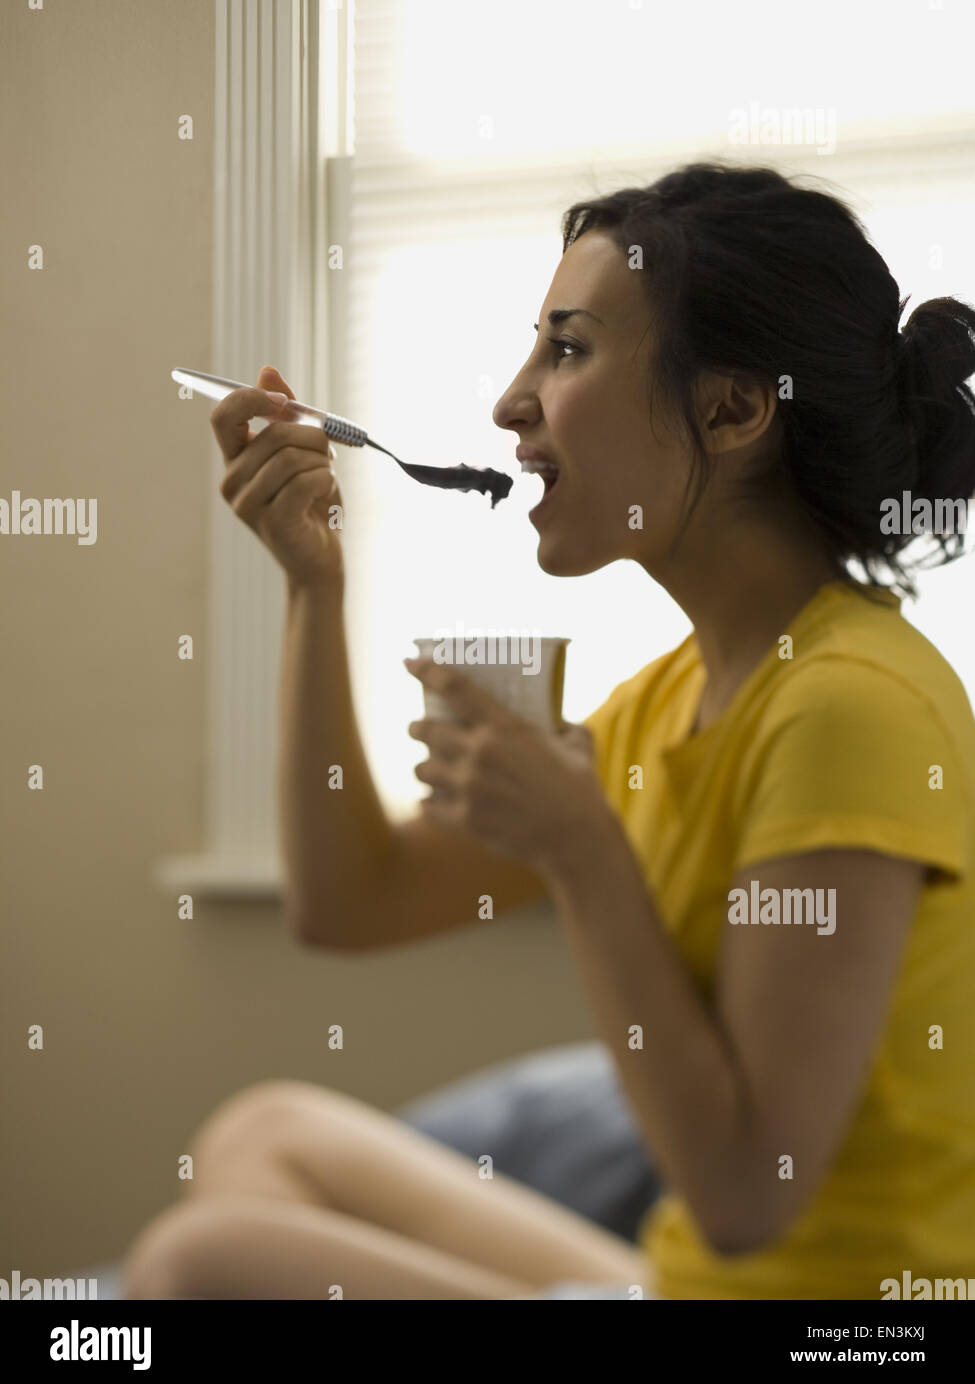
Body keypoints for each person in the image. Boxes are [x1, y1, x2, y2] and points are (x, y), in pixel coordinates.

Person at [122, 161, 975, 1300]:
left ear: (733, 409)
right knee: (263, 1134)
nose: (509, 402)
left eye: (566, 349)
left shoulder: (851, 708)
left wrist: (582, 847)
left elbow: (742, 1199)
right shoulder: (678, 697)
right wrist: (312, 588)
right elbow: (349, 903)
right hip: (686, 1285)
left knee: (195, 1259)